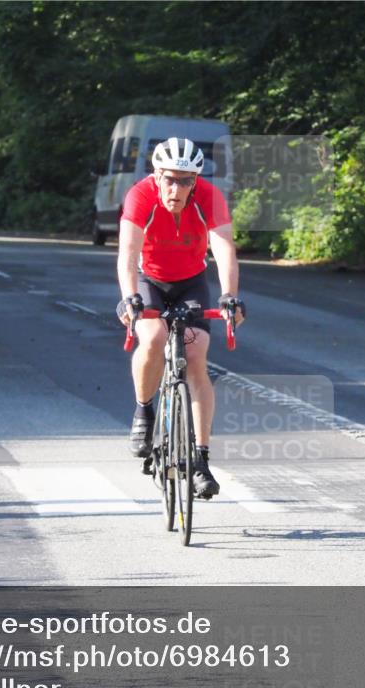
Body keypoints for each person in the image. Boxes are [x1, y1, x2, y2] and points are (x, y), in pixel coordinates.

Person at [115, 137, 244, 499]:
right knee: (154, 337)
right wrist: (130, 299)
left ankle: (200, 458)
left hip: (190, 281)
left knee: (198, 352)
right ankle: (144, 411)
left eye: (185, 181)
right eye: (169, 179)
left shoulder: (209, 198)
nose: (176, 188)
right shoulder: (141, 196)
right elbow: (127, 253)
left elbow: (223, 248)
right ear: (157, 176)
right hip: (149, 279)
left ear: (196, 181)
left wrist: (230, 296)